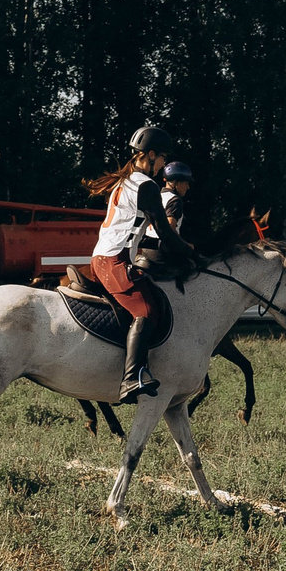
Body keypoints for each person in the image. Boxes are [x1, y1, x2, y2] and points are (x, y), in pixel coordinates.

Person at [85, 125, 196, 403]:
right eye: (161, 159)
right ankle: (130, 379)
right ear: (149, 155)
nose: (163, 166)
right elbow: (165, 231)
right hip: (114, 261)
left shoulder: (126, 182)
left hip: (105, 257)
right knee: (145, 311)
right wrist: (191, 253)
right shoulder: (145, 186)